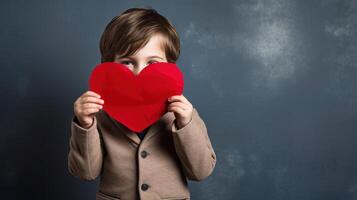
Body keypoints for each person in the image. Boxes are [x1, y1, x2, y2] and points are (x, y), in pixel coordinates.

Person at [67, 7, 216, 200]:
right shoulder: (100, 114)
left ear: (170, 66)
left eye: (152, 63)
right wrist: (85, 125)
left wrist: (185, 125)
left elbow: (201, 172)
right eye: (127, 62)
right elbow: (85, 173)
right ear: (109, 65)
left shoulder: (182, 114)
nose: (139, 73)